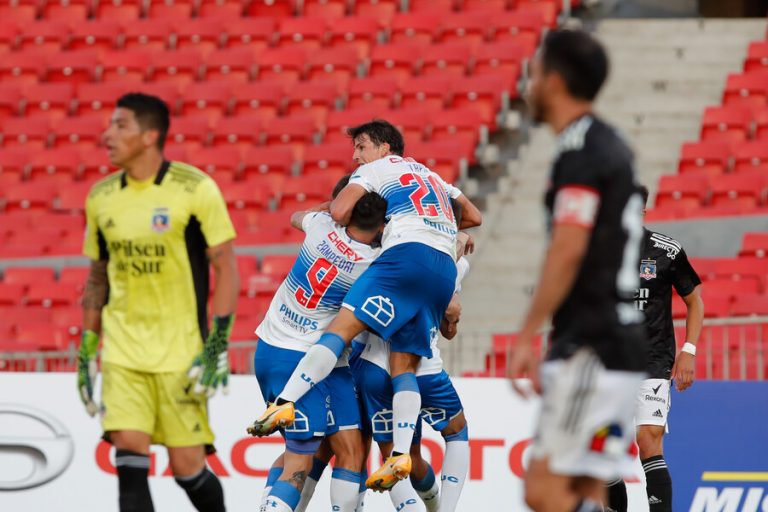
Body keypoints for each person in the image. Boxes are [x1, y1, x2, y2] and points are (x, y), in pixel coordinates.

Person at [250, 120, 482, 491]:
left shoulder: (368, 186)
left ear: (385, 148)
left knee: (340, 340)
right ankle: (404, 459)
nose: (356, 156)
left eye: (361, 146)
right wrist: (448, 237)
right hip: (439, 273)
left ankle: (284, 401)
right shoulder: (432, 176)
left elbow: (337, 212)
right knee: (408, 385)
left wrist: (331, 209)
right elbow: (473, 218)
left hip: (344, 355)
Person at [507, 29, 647, 512]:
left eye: (535, 73)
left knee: (545, 492)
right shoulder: (609, 142)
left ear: (555, 81)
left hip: (593, 344)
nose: (528, 84)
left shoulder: (581, 151)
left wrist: (526, 334)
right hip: (619, 343)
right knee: (585, 488)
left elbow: (568, 247)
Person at [77, 93, 239, 512]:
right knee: (129, 457)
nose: (108, 135)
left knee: (187, 469)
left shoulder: (195, 189)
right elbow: (97, 276)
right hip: (123, 353)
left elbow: (226, 267)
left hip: (181, 355)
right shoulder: (100, 197)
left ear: (150, 136)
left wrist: (217, 343)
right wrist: (87, 347)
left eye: (120, 125)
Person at [248, 179, 388, 512]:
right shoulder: (374, 264)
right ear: (383, 224)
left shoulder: (320, 227)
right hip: (300, 360)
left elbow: (296, 216)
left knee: (352, 448)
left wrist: (328, 209)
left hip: (286, 353)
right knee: (299, 461)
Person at [606, 185, 704, 512]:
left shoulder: (667, 251)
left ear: (643, 212)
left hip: (653, 360)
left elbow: (695, 302)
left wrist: (688, 350)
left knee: (648, 439)